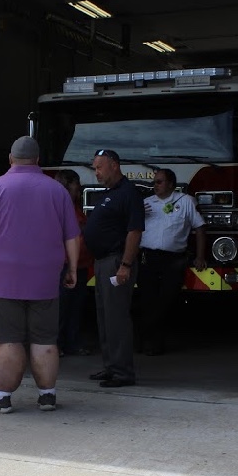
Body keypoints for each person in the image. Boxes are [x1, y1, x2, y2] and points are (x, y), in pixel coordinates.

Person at [0, 137, 80, 414]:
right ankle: (47, 396)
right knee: (45, 339)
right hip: (45, 277)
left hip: (1, 278)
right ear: (38, 160)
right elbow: (72, 235)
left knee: (7, 338)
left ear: (10, 159)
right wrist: (73, 268)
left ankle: (1, 398)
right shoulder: (57, 191)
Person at [82, 148, 144, 388]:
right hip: (102, 262)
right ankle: (110, 366)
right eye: (95, 168)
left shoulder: (129, 193)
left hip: (117, 262)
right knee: (104, 317)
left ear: (114, 165)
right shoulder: (110, 193)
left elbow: (134, 231)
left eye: (99, 167)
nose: (96, 172)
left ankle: (123, 372)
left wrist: (126, 265)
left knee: (116, 318)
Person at [139, 168, 206, 355]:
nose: (155, 186)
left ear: (171, 184)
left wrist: (200, 257)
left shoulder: (185, 202)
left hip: (173, 260)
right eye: (154, 182)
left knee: (165, 301)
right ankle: (149, 343)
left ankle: (150, 338)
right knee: (147, 300)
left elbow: (200, 228)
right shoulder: (145, 203)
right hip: (148, 257)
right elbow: (132, 229)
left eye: (159, 182)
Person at [54, 169, 94, 357]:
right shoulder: (56, 207)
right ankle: (57, 344)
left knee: (75, 307)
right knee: (62, 307)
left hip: (81, 264)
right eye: (76, 185)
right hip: (64, 265)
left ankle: (71, 343)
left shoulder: (74, 207)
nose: (79, 189)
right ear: (66, 185)